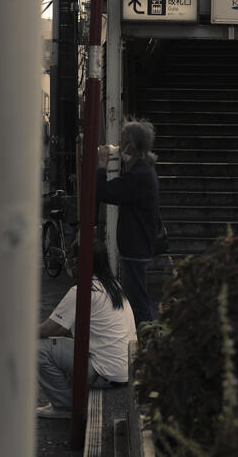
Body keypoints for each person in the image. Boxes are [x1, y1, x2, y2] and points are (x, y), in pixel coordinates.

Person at [36, 242, 137, 419]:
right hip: (123, 370)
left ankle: (64, 406)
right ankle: (69, 398)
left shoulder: (83, 290)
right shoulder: (113, 286)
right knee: (61, 345)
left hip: (103, 372)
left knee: (37, 348)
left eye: (71, 259)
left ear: (78, 262)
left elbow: (50, 329)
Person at [96, 119, 161, 326]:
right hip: (137, 246)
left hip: (136, 248)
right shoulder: (142, 169)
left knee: (138, 301)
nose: (119, 143)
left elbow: (105, 192)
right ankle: (144, 340)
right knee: (136, 298)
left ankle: (149, 343)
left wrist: (101, 166)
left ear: (131, 145)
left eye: (123, 139)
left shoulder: (139, 175)